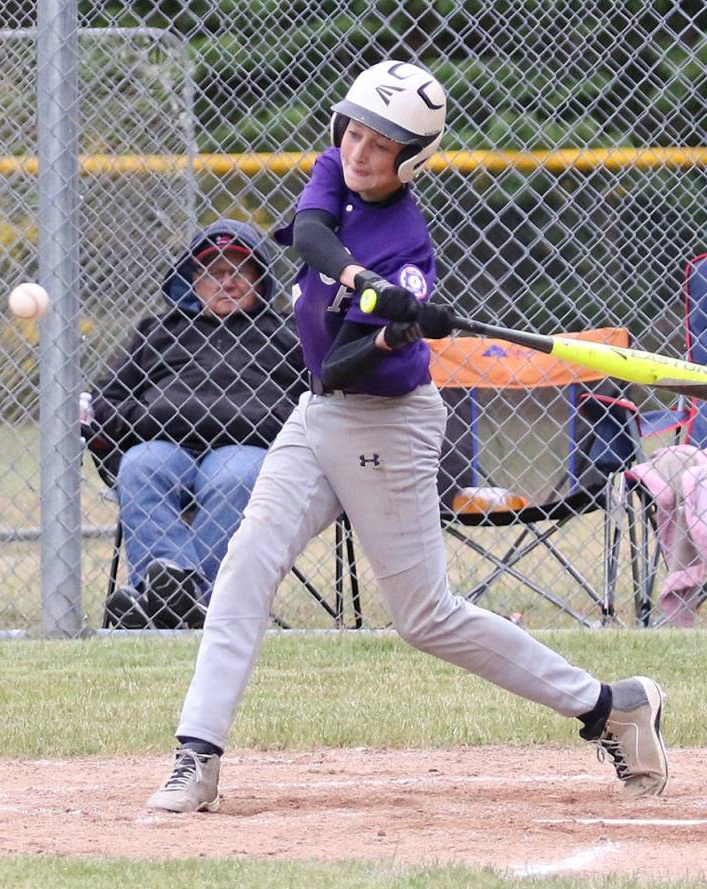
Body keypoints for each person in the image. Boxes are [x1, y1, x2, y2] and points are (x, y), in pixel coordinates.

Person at [145, 60, 669, 812]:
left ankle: (609, 704)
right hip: (318, 414)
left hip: (386, 422)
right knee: (245, 565)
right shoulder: (335, 171)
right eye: (354, 132)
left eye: (381, 145)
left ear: (411, 160)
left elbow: (350, 363)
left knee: (426, 617)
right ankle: (197, 754)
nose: (360, 152)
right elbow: (314, 235)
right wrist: (361, 280)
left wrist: (396, 330)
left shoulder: (408, 245)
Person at [87, 220, 305, 629]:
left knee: (233, 477)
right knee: (139, 465)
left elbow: (313, 401)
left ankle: (170, 602)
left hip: (249, 447)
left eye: (240, 270)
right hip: (165, 444)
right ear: (192, 282)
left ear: (261, 279)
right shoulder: (158, 332)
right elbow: (106, 399)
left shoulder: (286, 332)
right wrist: (139, 420)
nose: (228, 282)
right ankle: (184, 600)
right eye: (213, 272)